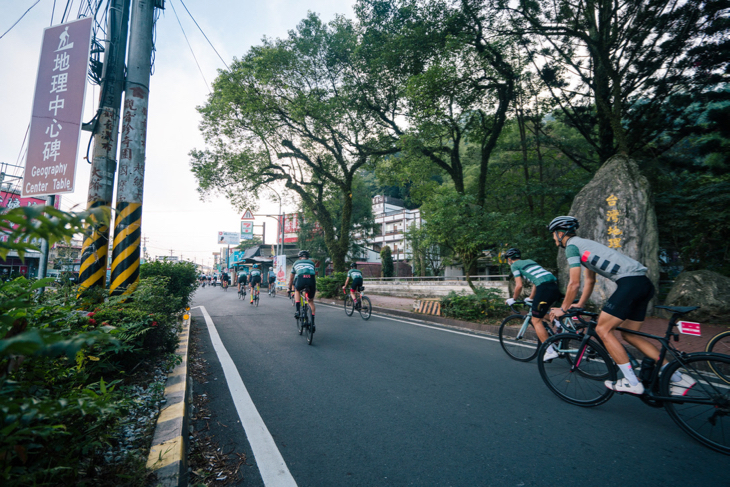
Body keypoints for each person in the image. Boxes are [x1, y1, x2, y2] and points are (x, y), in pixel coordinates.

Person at [547, 216, 695, 395]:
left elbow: (574, 283)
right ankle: (678, 378)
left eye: (554, 236)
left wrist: (563, 309)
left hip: (629, 284)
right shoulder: (586, 246)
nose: (554, 240)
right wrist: (580, 303)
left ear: (560, 233)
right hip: (643, 284)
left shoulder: (571, 247)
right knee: (629, 334)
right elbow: (590, 280)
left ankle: (632, 381)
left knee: (603, 330)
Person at [503, 248, 563, 360]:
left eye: (507, 259)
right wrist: (530, 298)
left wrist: (514, 299)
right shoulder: (530, 261)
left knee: (536, 320)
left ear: (510, 259)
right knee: (541, 313)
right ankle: (561, 324)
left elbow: (519, 285)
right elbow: (536, 280)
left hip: (544, 288)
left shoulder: (514, 266)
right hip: (554, 287)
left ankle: (550, 351)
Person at [288, 250, 317, 329]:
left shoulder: (296, 263)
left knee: (297, 290)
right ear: (307, 257)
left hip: (301, 279)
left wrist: (289, 288)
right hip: (311, 280)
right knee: (311, 301)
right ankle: (313, 323)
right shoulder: (312, 263)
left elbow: (291, 278)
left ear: (300, 257)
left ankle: (297, 311)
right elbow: (313, 273)